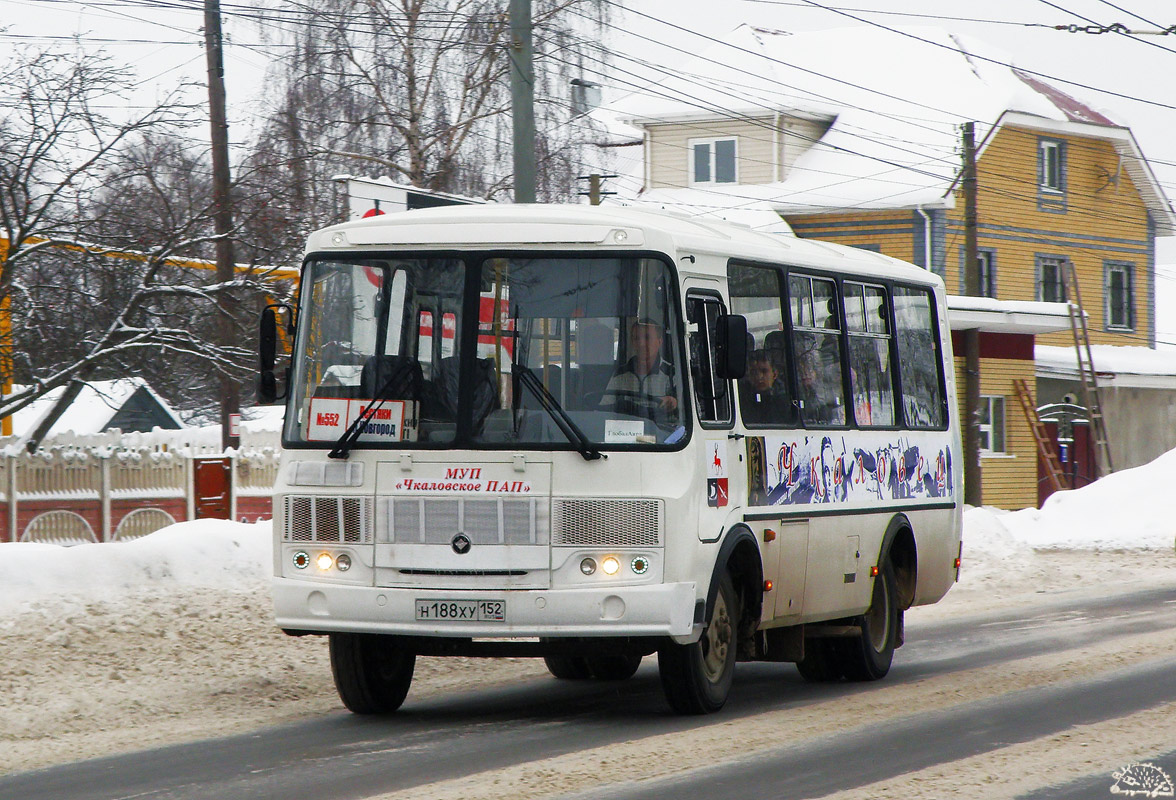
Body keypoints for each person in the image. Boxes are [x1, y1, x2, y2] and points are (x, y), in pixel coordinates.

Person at [600, 318, 679, 426]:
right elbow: (604, 410)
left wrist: (674, 402)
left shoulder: (672, 374)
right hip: (625, 434)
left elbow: (691, 412)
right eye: (636, 338)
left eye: (647, 337)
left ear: (659, 341)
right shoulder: (620, 374)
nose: (641, 343)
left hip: (662, 437)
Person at [739, 349, 793, 425]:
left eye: (764, 371)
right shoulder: (741, 399)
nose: (759, 377)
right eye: (754, 372)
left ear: (774, 374)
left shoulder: (786, 401)